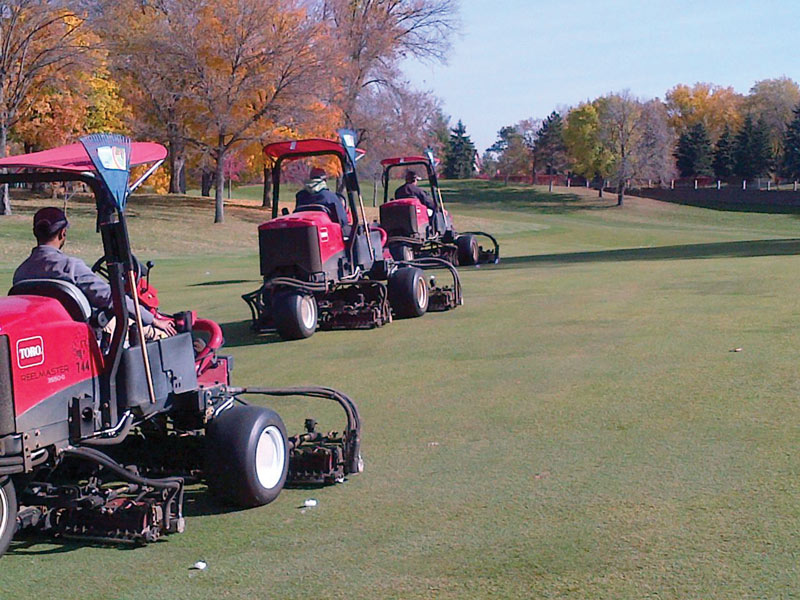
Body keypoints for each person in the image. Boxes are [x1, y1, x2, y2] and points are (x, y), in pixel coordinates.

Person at [14, 207, 176, 340]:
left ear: (36, 233)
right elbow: (113, 299)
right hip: (87, 333)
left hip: (48, 336)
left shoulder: (20, 274)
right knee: (160, 335)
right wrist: (153, 320)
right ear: (63, 233)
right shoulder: (71, 267)